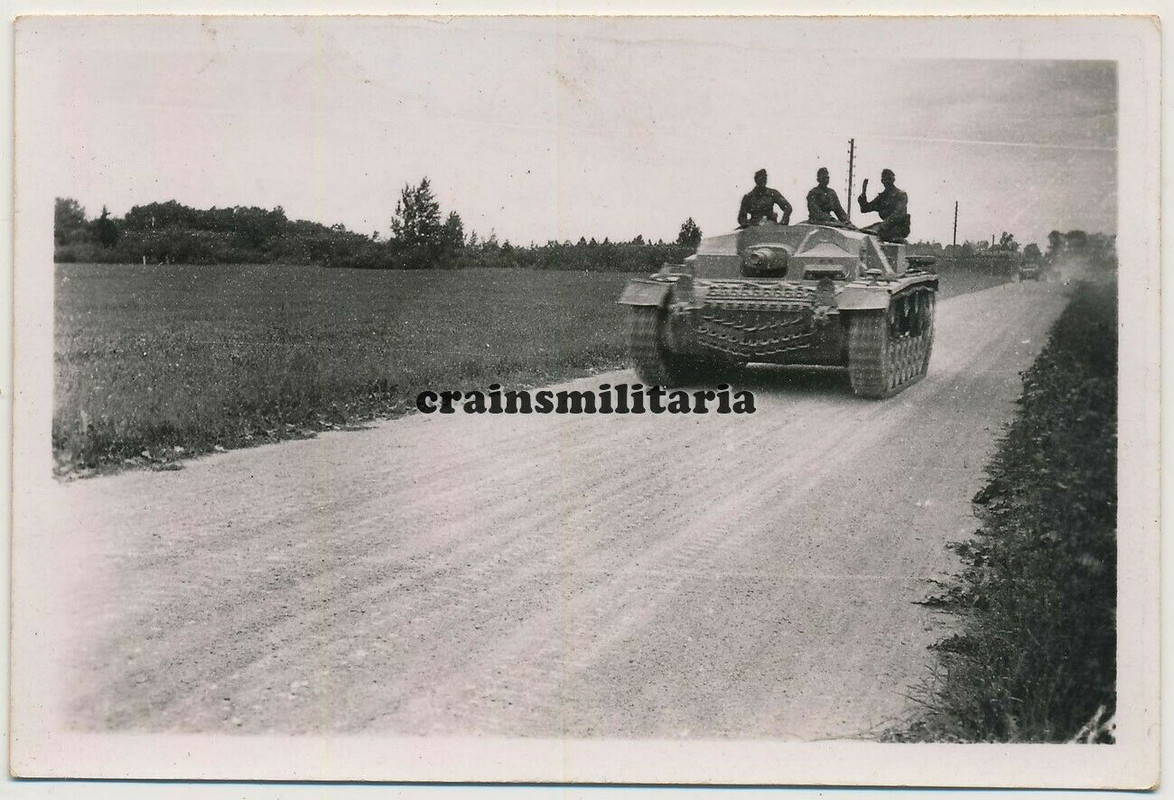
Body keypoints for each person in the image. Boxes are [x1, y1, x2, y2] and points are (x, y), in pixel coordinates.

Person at [857, 168, 910, 242]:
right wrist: (863, 195)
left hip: (899, 228)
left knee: (874, 233)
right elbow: (865, 209)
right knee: (862, 232)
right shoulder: (882, 197)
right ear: (882, 181)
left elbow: (898, 214)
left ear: (892, 180)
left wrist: (882, 226)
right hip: (886, 227)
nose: (886, 182)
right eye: (884, 180)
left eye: (888, 179)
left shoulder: (901, 195)